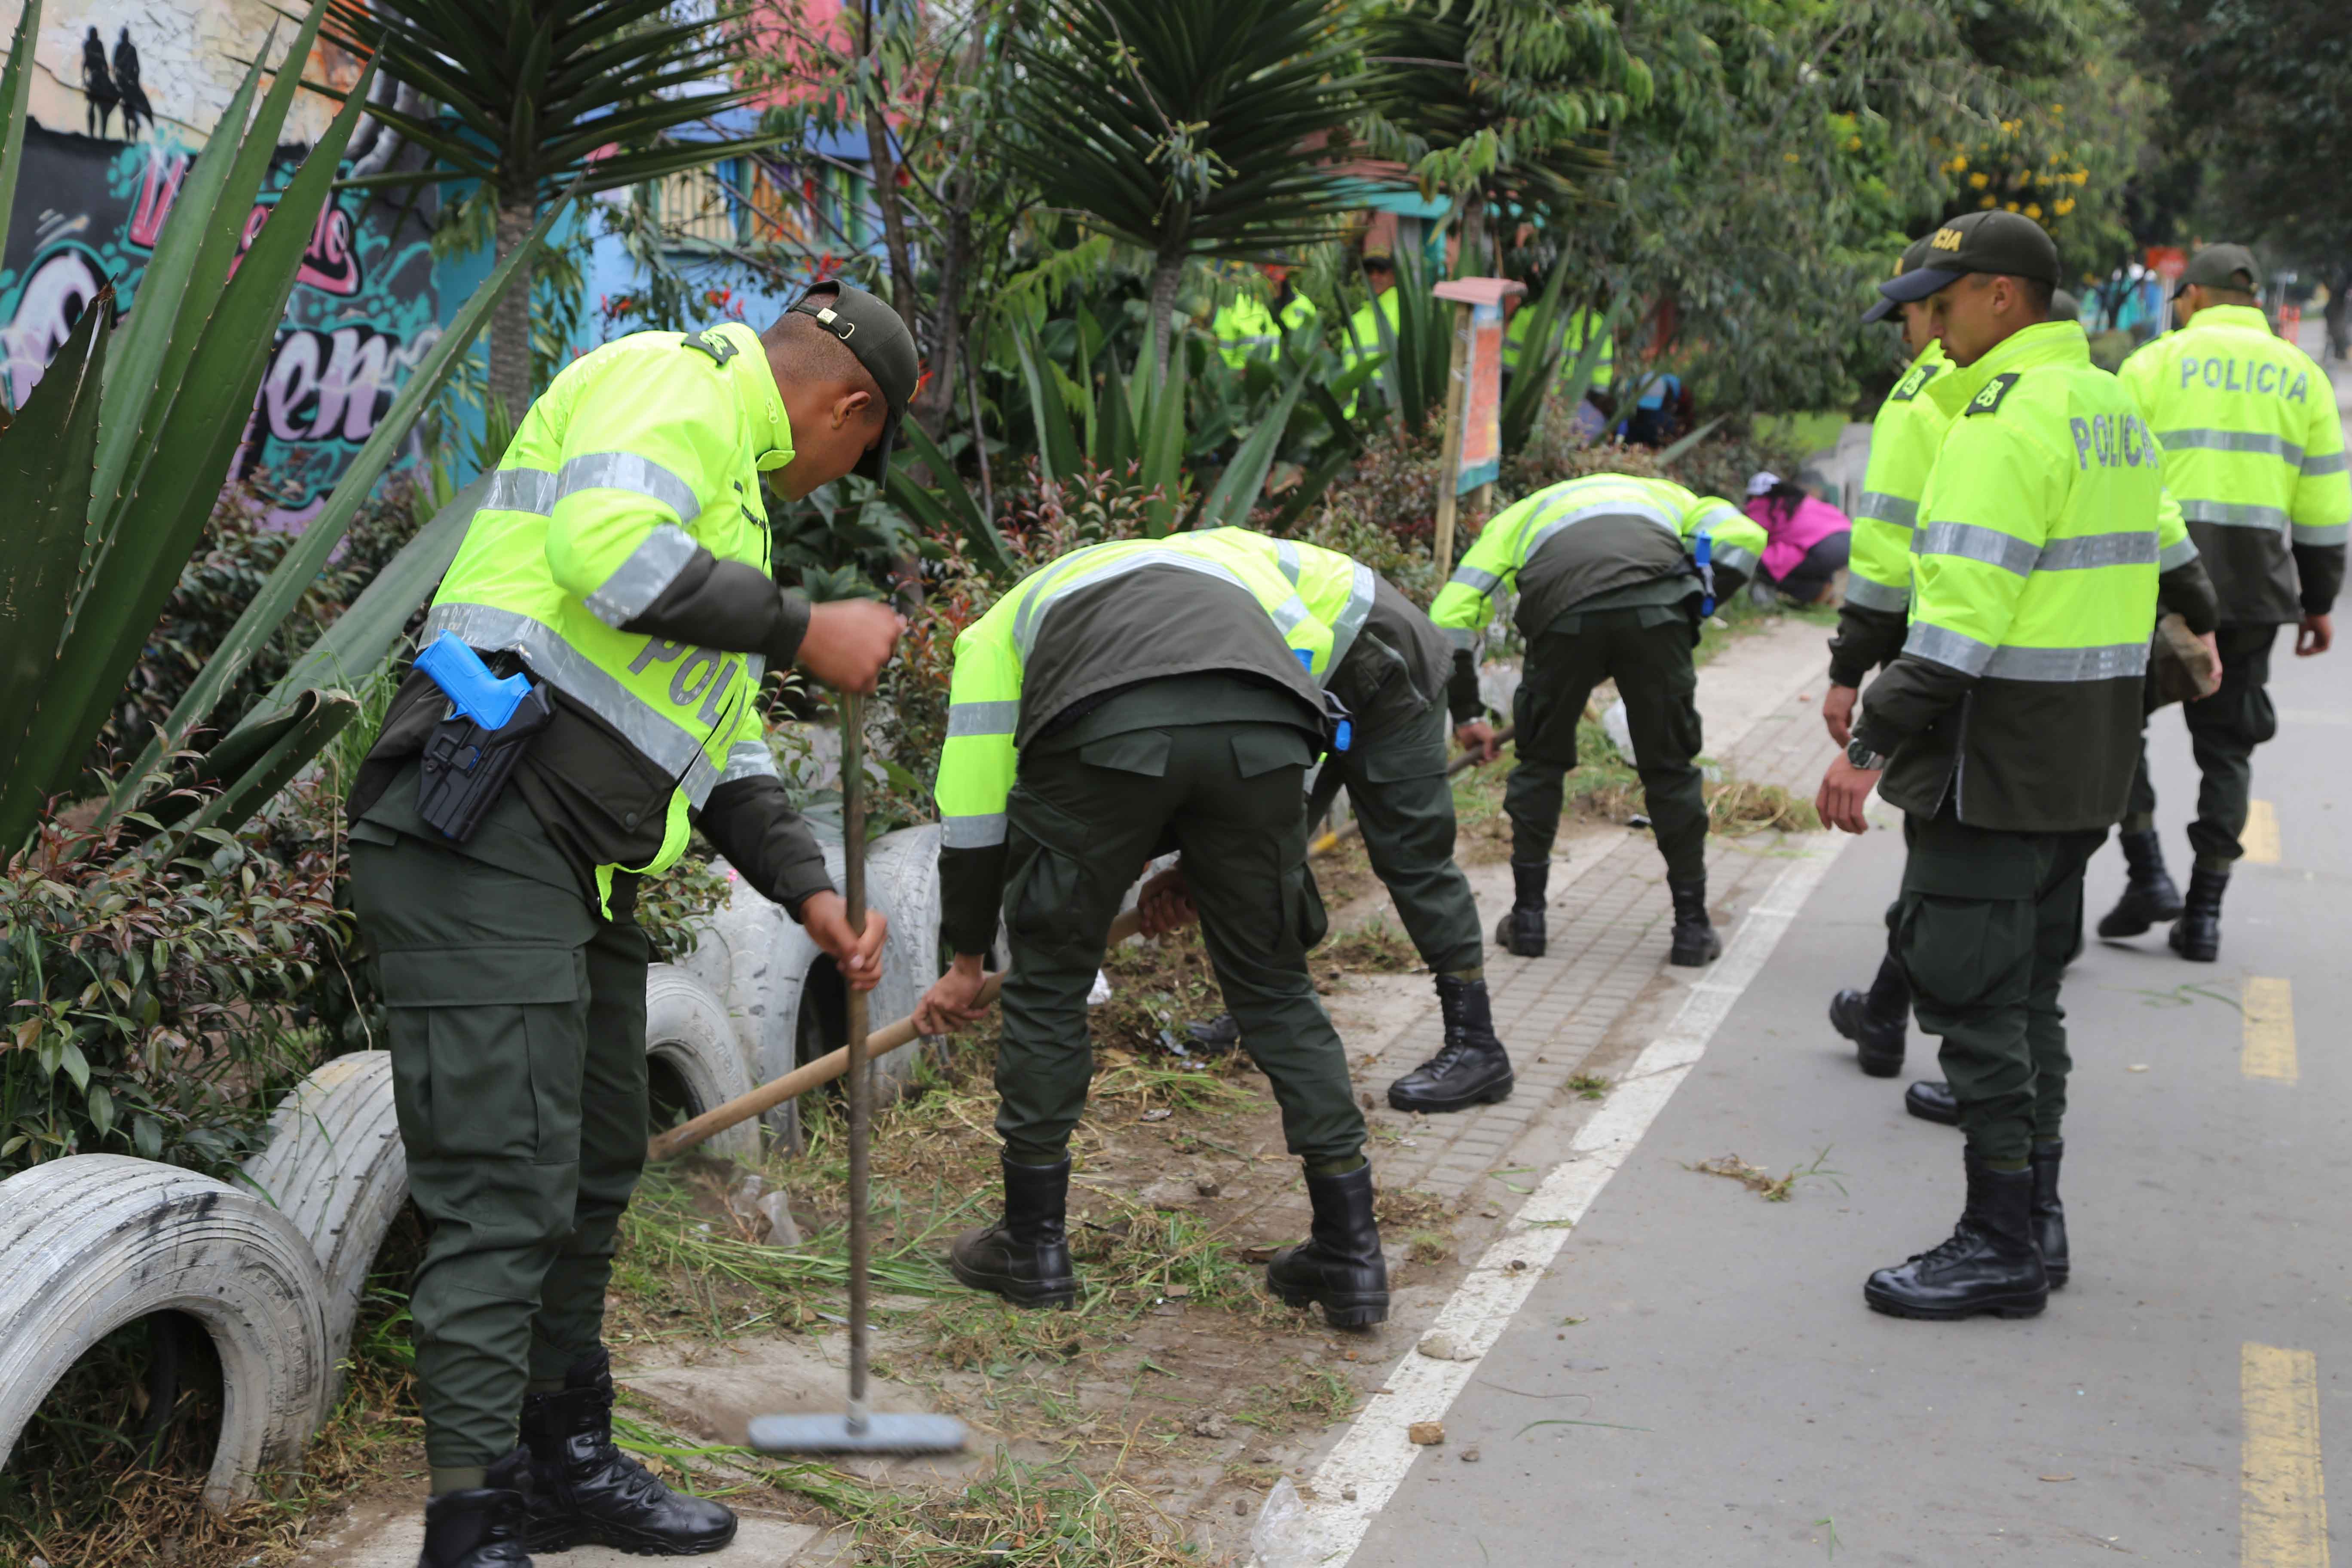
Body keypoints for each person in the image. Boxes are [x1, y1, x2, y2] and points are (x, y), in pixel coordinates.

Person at [346, 282, 910, 1568]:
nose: (836, 479)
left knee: (596, 1164)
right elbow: (614, 557)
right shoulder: (673, 384)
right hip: (477, 837)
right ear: (848, 406)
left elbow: (719, 750)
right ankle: (471, 1520)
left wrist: (813, 895)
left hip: (573, 871)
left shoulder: (733, 520)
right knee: (506, 1187)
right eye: (857, 456)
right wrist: (804, 627)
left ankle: (563, 1459)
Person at [1815, 211, 2219, 1321]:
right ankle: (2036, 1225)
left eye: (1941, 305)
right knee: (2032, 987)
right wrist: (2204, 615)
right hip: (2088, 753)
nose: (1928, 330)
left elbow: (1956, 624)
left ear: (2001, 297)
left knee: (1977, 998)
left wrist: (1869, 743)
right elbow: (2169, 554)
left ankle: (1996, 1240)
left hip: (1991, 759)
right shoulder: (2106, 405)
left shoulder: (2000, 422)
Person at [914, 536, 1389, 1330]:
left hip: (1103, 731)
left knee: (1050, 982)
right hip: (1270, 735)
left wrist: (967, 958)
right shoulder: (1240, 575)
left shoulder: (997, 629)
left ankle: (1032, 1248)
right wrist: (1208, 857)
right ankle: (1352, 1252)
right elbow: (1268, 702)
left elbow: (973, 809)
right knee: (1275, 987)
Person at [1164, 531, 1516, 1113]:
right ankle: (1266, 1011)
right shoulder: (1159, 609)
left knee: (1411, 854)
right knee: (1256, 849)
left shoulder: (1191, 598)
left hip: (1386, 667)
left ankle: (1479, 1050)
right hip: (1314, 674)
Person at [2096, 243, 2349, 962]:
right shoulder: (2301, 374)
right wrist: (2317, 598)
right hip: (2252, 591)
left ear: (2198, 296)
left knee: (2119, 727)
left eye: (2178, 297)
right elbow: (2323, 500)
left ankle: (2145, 870)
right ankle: (2203, 912)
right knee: (2227, 747)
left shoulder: (2149, 365)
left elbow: (2112, 473)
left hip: (2147, 583)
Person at [1434, 473, 1767, 967]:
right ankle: (1693, 929)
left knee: (1540, 764)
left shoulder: (1518, 518)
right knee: (1670, 768)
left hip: (1563, 618)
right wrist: (1699, 602)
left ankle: (1528, 921)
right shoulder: (1667, 496)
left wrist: (1467, 715)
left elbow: (1449, 616)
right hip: (1658, 611)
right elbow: (1746, 537)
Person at [1822, 239, 1954, 1081]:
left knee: (1952, 849)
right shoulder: (2086, 390)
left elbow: (1883, 553)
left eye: (1907, 314)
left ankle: (1919, 1032)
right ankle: (1886, 1009)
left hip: (1946, 649)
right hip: (2082, 668)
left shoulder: (1922, 396)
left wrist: (1851, 675)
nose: (1903, 334)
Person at [1742, 472, 1852, 605]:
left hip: (1824, 546)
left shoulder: (1763, 505)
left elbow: (1753, 536)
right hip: (1848, 538)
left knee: (1765, 564)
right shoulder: (1799, 499)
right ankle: (1825, 590)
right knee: (1795, 559)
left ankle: (1817, 592)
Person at [1212, 263, 1319, 368]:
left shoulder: (1303, 305)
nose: (1272, 271)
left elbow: (1313, 347)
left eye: (1277, 265)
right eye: (1267, 265)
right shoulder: (1236, 298)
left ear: (1286, 269)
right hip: (1249, 378)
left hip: (1290, 380)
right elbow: (1223, 344)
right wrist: (1237, 373)